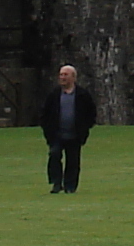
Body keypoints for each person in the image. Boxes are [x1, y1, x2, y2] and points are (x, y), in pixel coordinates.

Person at [39, 63, 96, 194]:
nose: (62, 77)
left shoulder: (82, 95)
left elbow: (91, 112)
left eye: (65, 75)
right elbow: (45, 113)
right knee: (54, 155)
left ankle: (70, 186)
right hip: (56, 134)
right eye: (61, 74)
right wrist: (47, 129)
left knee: (73, 161)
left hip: (75, 135)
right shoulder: (54, 94)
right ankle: (56, 183)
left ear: (73, 77)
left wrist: (86, 127)